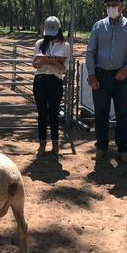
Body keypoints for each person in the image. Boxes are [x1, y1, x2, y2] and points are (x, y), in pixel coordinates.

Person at [86, 0, 127, 163]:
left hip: (122, 77)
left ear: (121, 6)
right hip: (101, 76)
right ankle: (102, 147)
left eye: (114, 5)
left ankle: (123, 149)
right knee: (100, 114)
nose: (111, 8)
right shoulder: (98, 26)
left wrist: (126, 68)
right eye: (108, 5)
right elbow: (90, 51)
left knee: (123, 114)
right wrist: (91, 74)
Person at [32, 16, 71, 155]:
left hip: (55, 81)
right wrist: (43, 61)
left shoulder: (65, 46)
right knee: (42, 113)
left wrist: (54, 61)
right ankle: (42, 143)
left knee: (54, 113)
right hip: (40, 80)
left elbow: (63, 69)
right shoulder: (39, 43)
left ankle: (55, 143)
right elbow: (35, 65)